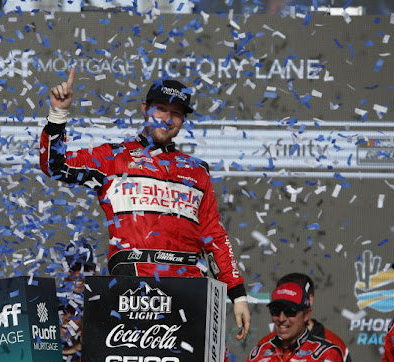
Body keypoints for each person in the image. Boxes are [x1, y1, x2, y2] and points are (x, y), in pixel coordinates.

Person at [40, 70, 251, 338]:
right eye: (161, 109)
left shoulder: (197, 171)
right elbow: (55, 166)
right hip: (132, 289)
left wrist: (238, 294)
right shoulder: (112, 158)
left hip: (189, 292)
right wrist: (58, 115)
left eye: (175, 113)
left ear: (183, 120)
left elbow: (214, 236)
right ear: (144, 109)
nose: (167, 119)